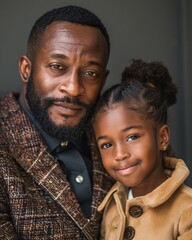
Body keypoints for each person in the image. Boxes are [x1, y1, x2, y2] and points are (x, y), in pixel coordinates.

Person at [0, 5, 114, 239]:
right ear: (26, 69)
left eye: (90, 73)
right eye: (57, 67)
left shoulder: (120, 131)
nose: (73, 88)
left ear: (103, 79)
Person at [92, 59, 192, 240]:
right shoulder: (111, 207)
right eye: (107, 145)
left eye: (132, 137)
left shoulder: (187, 211)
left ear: (162, 138)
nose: (120, 154)